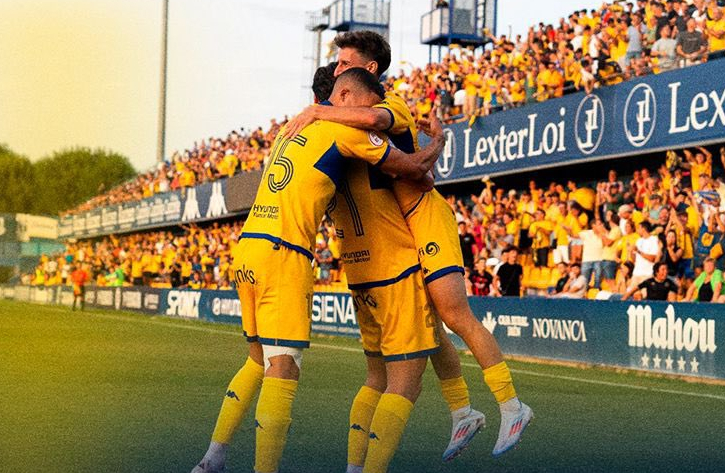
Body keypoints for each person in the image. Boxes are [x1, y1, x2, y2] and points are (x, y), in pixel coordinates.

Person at [283, 30, 531, 460]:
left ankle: (512, 406)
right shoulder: (341, 126)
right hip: (400, 233)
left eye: (344, 64)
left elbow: (415, 167)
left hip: (426, 218)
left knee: (453, 313)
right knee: (430, 327)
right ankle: (463, 413)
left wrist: (317, 111)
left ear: (369, 69)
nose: (337, 71)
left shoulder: (388, 103)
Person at [191, 68, 447, 473]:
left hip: (248, 248)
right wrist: (439, 141)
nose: (372, 111)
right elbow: (415, 170)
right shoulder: (338, 129)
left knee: (257, 359)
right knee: (284, 366)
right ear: (343, 96)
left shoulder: (288, 131)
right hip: (284, 252)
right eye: (368, 102)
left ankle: (212, 458)